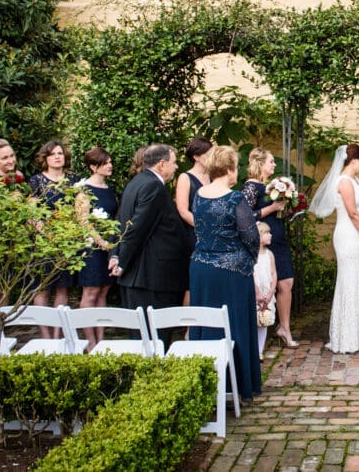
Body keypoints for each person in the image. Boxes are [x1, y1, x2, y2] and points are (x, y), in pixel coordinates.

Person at [190, 145, 262, 399]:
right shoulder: (234, 198)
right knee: (235, 322)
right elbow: (251, 236)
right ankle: (238, 385)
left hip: (201, 267)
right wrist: (251, 259)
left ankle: (207, 382)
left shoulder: (199, 194)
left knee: (206, 319)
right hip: (233, 270)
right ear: (230, 169)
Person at [110, 143, 191, 348]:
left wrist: (116, 255)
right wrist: (122, 261)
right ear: (162, 164)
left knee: (142, 337)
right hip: (151, 277)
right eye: (174, 163)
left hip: (140, 275)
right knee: (155, 338)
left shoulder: (136, 182)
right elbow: (137, 227)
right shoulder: (153, 186)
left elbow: (119, 222)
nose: (176, 168)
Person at [311, 143, 359, 354]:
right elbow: (352, 213)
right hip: (348, 236)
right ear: (353, 160)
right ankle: (346, 337)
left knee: (358, 280)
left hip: (358, 236)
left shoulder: (355, 180)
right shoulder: (344, 182)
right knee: (349, 281)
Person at [241, 148, 298, 347]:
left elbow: (276, 214)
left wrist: (288, 208)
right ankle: (259, 331)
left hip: (277, 239)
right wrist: (273, 208)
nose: (274, 165)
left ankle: (284, 327)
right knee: (265, 284)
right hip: (261, 243)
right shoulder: (250, 187)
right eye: (271, 161)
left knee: (286, 282)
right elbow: (246, 217)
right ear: (260, 163)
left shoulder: (269, 187)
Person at [28, 140, 78, 335]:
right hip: (42, 243)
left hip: (66, 242)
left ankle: (59, 334)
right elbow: (32, 215)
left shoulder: (73, 180)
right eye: (53, 154)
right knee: (41, 288)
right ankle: (45, 335)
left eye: (60, 153)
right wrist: (48, 235)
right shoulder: (36, 181)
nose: (58, 156)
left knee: (62, 288)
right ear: (45, 158)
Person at [78, 146, 119, 351]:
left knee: (103, 291)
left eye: (110, 162)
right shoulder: (84, 190)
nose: (110, 165)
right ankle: (90, 341)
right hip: (91, 248)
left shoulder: (110, 190)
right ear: (93, 167)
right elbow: (83, 221)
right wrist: (101, 242)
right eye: (105, 163)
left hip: (109, 246)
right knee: (90, 292)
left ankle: (101, 339)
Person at [175, 137, 212, 306]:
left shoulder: (212, 177)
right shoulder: (185, 177)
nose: (212, 157)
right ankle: (189, 328)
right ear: (196, 156)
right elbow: (183, 210)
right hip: (192, 234)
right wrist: (204, 228)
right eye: (208, 153)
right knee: (192, 283)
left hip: (212, 234)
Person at [253, 221, 278, 359]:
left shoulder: (270, 255)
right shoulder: (252, 255)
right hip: (255, 294)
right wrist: (257, 293)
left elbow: (274, 274)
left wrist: (270, 292)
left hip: (267, 293)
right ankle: (252, 348)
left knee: (264, 321)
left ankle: (259, 350)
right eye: (266, 233)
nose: (270, 235)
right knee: (254, 319)